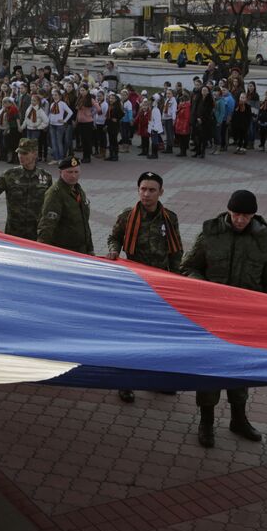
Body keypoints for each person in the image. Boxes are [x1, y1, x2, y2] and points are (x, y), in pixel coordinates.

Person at [181, 190, 267, 447]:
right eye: (236, 214)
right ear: (228, 211)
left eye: (246, 216)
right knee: (210, 371)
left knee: (240, 370)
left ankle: (239, 419)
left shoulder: (264, 239)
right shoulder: (210, 233)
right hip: (212, 317)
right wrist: (206, 289)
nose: (240, 220)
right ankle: (206, 422)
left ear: (253, 215)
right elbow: (188, 267)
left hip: (245, 318)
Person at [107, 171, 184, 403]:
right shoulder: (127, 216)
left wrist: (178, 281)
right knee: (129, 335)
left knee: (158, 335)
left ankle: (157, 379)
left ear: (161, 192)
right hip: (134, 283)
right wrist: (113, 250)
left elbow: (176, 251)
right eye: (143, 189)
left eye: (152, 190)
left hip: (160, 286)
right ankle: (125, 382)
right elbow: (114, 237)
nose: (146, 194)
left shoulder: (169, 218)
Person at [37, 157, 93, 253]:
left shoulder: (78, 190)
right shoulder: (55, 194)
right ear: (60, 172)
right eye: (69, 172)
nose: (73, 176)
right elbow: (47, 225)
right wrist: (42, 250)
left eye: (76, 172)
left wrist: (90, 248)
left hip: (81, 249)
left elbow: (85, 223)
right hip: (64, 250)